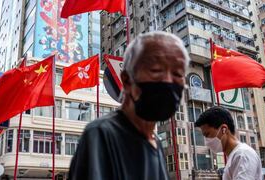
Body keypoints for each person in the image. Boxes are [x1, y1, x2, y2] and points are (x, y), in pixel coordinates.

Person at [68, 31, 190, 180]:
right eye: (156, 70)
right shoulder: (101, 134)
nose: (168, 81)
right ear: (126, 80)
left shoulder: (155, 142)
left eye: (178, 74)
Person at [195, 106, 263, 180]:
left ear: (224, 129)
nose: (206, 141)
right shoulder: (234, 156)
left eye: (207, 134)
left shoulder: (242, 154)